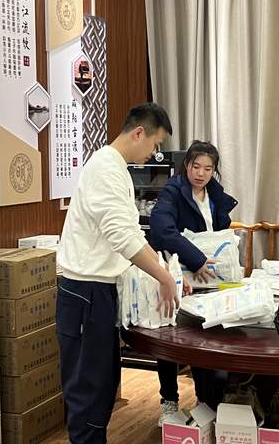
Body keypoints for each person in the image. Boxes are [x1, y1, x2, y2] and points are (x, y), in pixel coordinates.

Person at [56, 102, 178, 443]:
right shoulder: (104, 168)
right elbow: (122, 237)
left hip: (99, 291)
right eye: (155, 144)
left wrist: (162, 269)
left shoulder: (117, 168)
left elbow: (133, 232)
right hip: (85, 291)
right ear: (138, 133)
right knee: (88, 388)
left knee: (103, 382)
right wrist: (163, 277)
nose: (154, 153)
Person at [150, 140, 238, 424]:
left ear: (214, 171)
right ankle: (169, 402)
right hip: (180, 276)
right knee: (170, 339)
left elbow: (220, 233)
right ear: (186, 165)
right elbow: (163, 232)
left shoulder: (215, 194)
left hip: (210, 278)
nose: (201, 173)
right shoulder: (173, 191)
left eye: (208, 168)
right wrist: (197, 260)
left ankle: (204, 400)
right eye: (196, 166)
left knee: (205, 339)